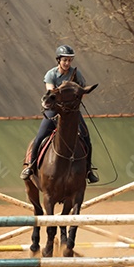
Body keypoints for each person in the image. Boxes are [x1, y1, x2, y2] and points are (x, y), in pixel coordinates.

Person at [20, 44, 98, 183]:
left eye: (69, 60)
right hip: (54, 111)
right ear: (59, 60)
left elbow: (82, 92)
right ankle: (31, 166)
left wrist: (74, 98)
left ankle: (88, 170)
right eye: (65, 60)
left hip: (71, 112)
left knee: (86, 137)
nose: (67, 63)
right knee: (40, 137)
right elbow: (51, 93)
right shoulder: (51, 74)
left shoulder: (76, 74)